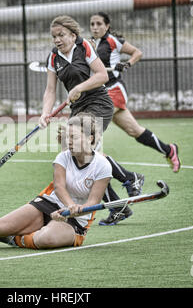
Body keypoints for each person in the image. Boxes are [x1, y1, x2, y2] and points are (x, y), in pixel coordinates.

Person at [0, 113, 112, 249]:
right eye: (67, 137)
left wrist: (75, 210)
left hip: (76, 220)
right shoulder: (63, 157)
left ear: (90, 138)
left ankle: (15, 239)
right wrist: (69, 205)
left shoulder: (102, 166)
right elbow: (59, 187)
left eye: (73, 137)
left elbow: (92, 202)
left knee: (45, 239)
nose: (68, 141)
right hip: (50, 204)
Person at [38, 15, 144, 226]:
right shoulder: (54, 57)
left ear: (73, 35)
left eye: (61, 35)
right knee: (83, 156)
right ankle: (118, 206)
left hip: (98, 102)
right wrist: (45, 113)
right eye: (54, 37)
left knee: (87, 151)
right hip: (78, 108)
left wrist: (79, 88)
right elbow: (50, 90)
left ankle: (130, 179)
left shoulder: (84, 46)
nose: (57, 40)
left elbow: (102, 75)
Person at [90, 12, 180, 174]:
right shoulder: (90, 44)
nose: (95, 27)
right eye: (92, 24)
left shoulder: (112, 41)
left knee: (92, 129)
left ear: (107, 26)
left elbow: (137, 53)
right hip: (101, 92)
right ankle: (169, 150)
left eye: (99, 24)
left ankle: (122, 177)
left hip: (114, 90)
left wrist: (126, 64)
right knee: (134, 130)